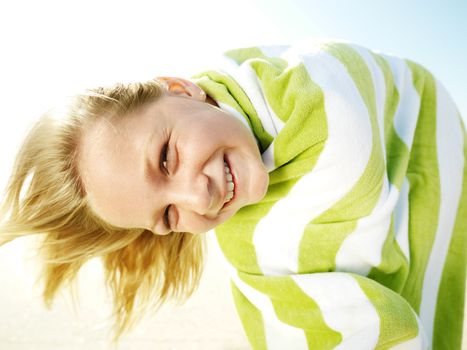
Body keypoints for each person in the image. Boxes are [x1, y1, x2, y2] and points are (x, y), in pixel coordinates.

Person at [0, 39, 465, 349]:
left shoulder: (312, 93)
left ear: (181, 89)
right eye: (166, 216)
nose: (198, 199)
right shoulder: (245, 237)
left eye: (165, 158)